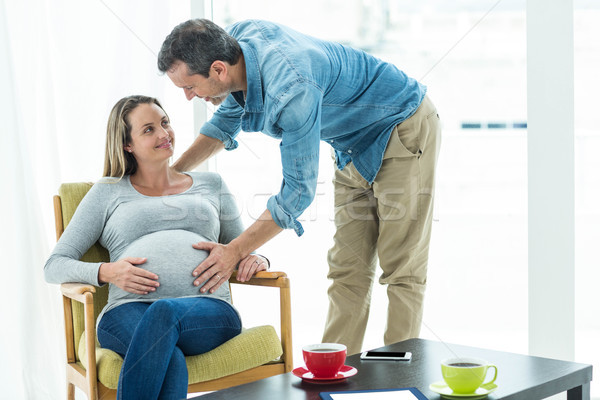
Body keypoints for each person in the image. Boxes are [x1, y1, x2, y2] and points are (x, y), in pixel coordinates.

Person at [157, 19, 441, 355]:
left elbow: (297, 193)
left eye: (189, 87)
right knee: (348, 268)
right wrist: (169, 177)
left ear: (218, 69)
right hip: (351, 145)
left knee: (401, 267)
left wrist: (234, 251)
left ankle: (399, 375)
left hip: (401, 125)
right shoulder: (236, 44)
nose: (190, 97)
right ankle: (337, 372)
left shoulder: (293, 88)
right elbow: (223, 123)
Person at [44, 95, 269, 400]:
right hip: (126, 311)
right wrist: (108, 272)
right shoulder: (108, 191)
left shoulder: (211, 184)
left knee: (164, 314)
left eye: (165, 123)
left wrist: (259, 259)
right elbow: (55, 264)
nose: (164, 134)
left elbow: (242, 248)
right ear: (127, 144)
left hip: (209, 309)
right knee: (169, 358)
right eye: (148, 129)